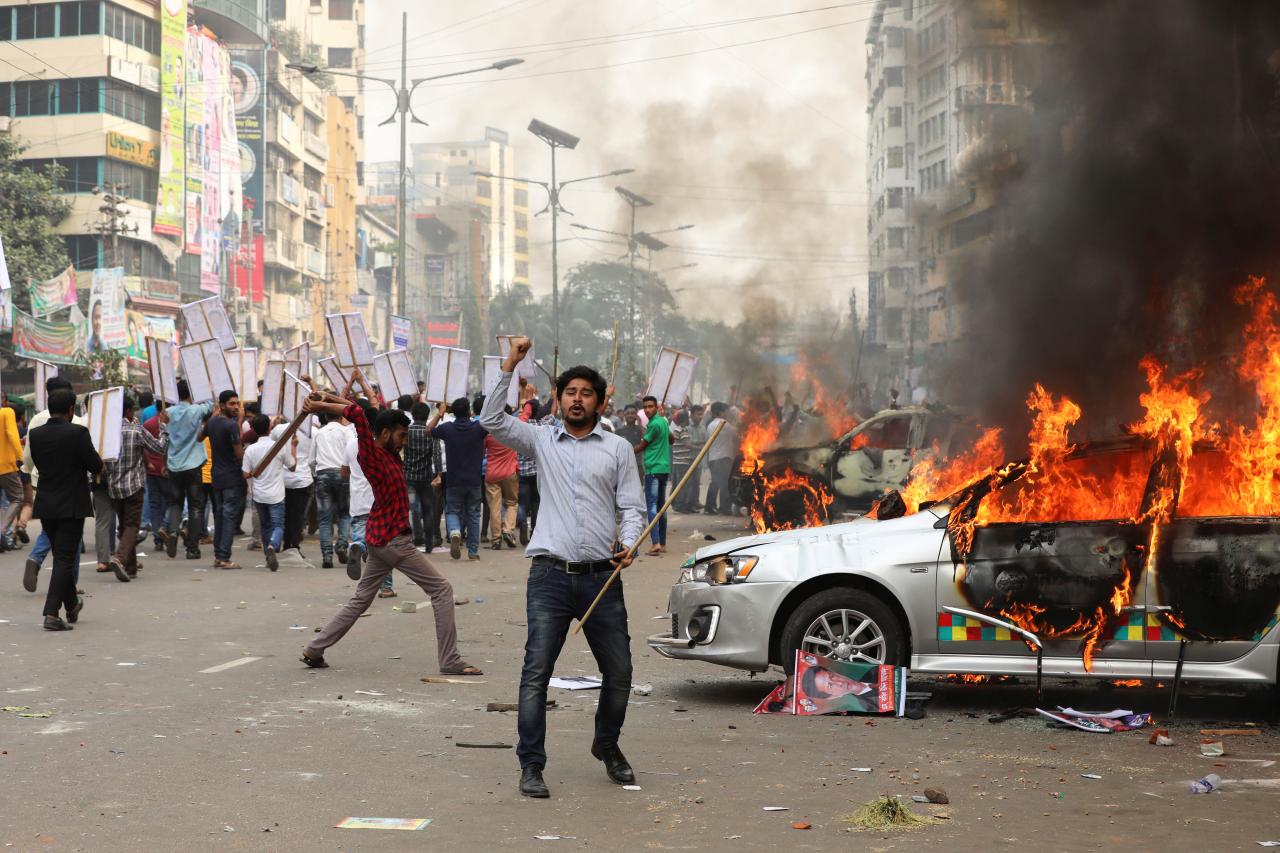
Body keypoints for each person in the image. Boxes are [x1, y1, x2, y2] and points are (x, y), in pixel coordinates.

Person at [479, 337, 645, 800]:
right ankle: (531, 764)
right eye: (569, 391)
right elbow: (491, 419)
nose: (576, 398)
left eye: (586, 392)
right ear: (558, 399)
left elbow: (633, 507)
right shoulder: (540, 440)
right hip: (549, 577)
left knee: (621, 671)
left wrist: (629, 544)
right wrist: (509, 366)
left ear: (600, 400)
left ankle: (606, 745)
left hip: (602, 578)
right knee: (536, 672)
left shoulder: (615, 449)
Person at [300, 390, 483, 678]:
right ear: (384, 433)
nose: (405, 441)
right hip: (393, 541)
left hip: (381, 539)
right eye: (401, 435)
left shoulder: (388, 455)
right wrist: (320, 405)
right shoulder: (370, 453)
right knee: (442, 590)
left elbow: (362, 408)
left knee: (360, 600)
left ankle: (315, 648)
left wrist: (328, 395)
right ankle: (450, 659)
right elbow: (358, 414)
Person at [29, 387, 102, 630]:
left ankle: (71, 605)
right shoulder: (78, 432)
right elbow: (94, 464)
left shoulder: (36, 435)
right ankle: (51, 613)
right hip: (71, 505)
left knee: (61, 555)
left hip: (46, 504)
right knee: (64, 558)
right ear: (71, 410)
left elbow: (37, 464)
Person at [19, 376, 82, 592]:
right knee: (70, 536)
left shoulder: (36, 420)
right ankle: (69, 586)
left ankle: (36, 558)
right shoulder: (77, 421)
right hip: (70, 485)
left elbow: (27, 456)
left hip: (42, 480)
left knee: (51, 526)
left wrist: (28, 473)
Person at [103, 395, 169, 581]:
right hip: (133, 485)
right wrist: (163, 427)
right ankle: (120, 558)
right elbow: (160, 448)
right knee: (132, 525)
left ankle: (130, 567)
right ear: (129, 411)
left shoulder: (106, 432)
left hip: (114, 487)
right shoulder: (136, 430)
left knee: (124, 525)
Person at [160, 380, 213, 560]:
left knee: (175, 502)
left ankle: (173, 532)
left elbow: (164, 436)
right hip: (193, 465)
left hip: (174, 465)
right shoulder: (196, 410)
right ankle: (192, 548)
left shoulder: (168, 413)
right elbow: (211, 404)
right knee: (196, 506)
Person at [430, 397, 486, 562]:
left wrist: (439, 414)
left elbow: (428, 430)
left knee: (453, 510)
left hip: (454, 480)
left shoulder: (447, 428)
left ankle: (455, 531)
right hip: (474, 480)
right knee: (474, 514)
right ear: (469, 411)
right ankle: (473, 551)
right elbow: (493, 424)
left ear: (452, 412)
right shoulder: (479, 427)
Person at [240, 416, 295, 571]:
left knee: (265, 526)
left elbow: (245, 474)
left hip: (259, 494)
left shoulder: (250, 449)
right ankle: (273, 545)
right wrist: (294, 448)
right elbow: (292, 467)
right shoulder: (279, 447)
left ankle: (267, 555)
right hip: (276, 494)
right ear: (270, 428)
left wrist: (254, 473)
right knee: (278, 525)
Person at [205, 389, 245, 570]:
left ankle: (218, 555)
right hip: (231, 476)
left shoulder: (212, 422)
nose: (236, 407)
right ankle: (223, 557)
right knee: (228, 516)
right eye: (232, 404)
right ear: (222, 406)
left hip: (217, 476)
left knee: (220, 515)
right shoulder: (231, 426)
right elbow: (239, 454)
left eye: (237, 403)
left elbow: (199, 437)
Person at [312, 410, 352, 569]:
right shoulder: (346, 432)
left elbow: (311, 460)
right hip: (343, 474)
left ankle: (327, 555)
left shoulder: (319, 433)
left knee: (324, 518)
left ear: (326, 417)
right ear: (342, 417)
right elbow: (351, 455)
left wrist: (317, 472)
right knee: (344, 513)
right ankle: (342, 544)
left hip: (322, 475)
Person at [632, 396, 672, 556]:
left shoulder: (655, 423)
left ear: (656, 407)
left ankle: (655, 543)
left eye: (650, 407)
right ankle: (662, 543)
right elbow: (672, 439)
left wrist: (625, 450)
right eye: (645, 407)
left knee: (652, 507)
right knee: (661, 507)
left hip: (653, 470)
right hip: (663, 469)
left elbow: (642, 446)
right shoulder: (662, 422)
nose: (648, 409)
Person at [403, 402, 441, 553]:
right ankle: (429, 542)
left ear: (413, 415)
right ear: (427, 416)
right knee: (428, 509)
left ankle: (414, 537)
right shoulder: (431, 432)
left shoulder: (407, 432)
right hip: (426, 477)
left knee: (411, 508)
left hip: (409, 476)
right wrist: (438, 473)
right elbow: (437, 454)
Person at [484, 428, 519, 551]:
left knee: (495, 507)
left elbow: (482, 452)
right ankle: (508, 530)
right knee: (512, 503)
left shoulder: (489, 434)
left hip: (492, 473)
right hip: (510, 472)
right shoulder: (512, 433)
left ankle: (496, 539)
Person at [282, 418, 313, 556]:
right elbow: (313, 458)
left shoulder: (279, 429)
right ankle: (294, 544)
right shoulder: (313, 431)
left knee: (286, 513)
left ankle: (287, 542)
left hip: (284, 479)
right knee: (298, 515)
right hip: (303, 479)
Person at [704, 402, 737, 516]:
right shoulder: (726, 425)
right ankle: (724, 508)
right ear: (721, 412)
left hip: (713, 458)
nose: (728, 413)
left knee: (715, 483)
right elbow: (736, 435)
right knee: (725, 484)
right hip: (723, 458)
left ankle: (710, 506)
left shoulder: (710, 425)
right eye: (726, 411)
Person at [672, 405, 707, 512]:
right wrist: (701, 447)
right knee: (684, 484)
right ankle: (680, 505)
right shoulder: (683, 430)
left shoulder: (682, 429)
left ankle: (690, 504)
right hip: (683, 461)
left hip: (686, 461)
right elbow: (688, 444)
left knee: (690, 483)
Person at [0, 403, 24, 551]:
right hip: (5, 465)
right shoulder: (7, 412)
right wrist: (20, 457)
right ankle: (2, 531)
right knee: (17, 497)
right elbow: (12, 434)